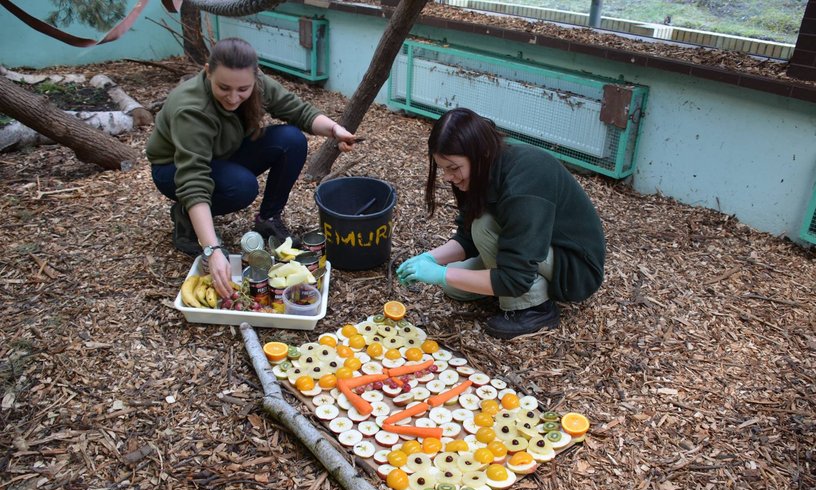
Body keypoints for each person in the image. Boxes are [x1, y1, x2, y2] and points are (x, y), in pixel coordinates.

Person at [146, 37, 356, 299]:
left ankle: (268, 220)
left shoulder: (255, 84)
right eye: (224, 87)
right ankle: (187, 218)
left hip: (222, 152)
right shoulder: (191, 109)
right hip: (174, 169)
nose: (233, 98)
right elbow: (193, 179)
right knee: (242, 187)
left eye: (243, 89)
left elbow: (298, 111)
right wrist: (212, 250)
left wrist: (335, 130)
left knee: (291, 139)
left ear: (255, 77)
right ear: (207, 70)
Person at [397, 108, 606, 339]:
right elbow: (467, 237)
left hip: (574, 268)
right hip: (527, 251)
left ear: (480, 154)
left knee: (483, 226)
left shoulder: (525, 181)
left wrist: (440, 274)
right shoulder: (481, 172)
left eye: (453, 168)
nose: (447, 177)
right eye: (444, 169)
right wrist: (430, 259)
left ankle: (534, 309)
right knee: (454, 286)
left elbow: (514, 275)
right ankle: (503, 288)